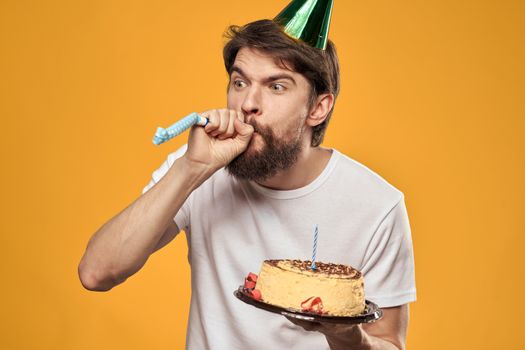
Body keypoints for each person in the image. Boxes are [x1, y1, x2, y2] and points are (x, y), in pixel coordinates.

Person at [78, 5, 416, 350]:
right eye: (240, 82)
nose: (248, 103)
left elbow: (389, 342)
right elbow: (97, 273)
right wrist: (191, 168)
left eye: (277, 87)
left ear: (318, 108)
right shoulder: (197, 166)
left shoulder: (378, 205)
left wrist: (345, 334)